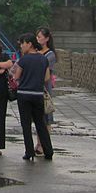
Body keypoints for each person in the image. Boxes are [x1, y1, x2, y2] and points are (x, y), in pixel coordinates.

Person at [12, 33, 53, 161]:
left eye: (22, 44)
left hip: (24, 95)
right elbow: (47, 78)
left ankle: (29, 152)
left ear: (29, 44)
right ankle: (48, 151)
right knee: (40, 123)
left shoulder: (24, 59)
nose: (21, 46)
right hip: (38, 95)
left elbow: (16, 76)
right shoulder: (43, 59)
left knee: (26, 125)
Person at [35, 27, 56, 156]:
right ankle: (38, 143)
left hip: (44, 88)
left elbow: (44, 70)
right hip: (35, 87)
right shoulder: (36, 52)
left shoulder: (50, 54)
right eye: (37, 37)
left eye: (40, 37)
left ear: (47, 38)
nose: (38, 39)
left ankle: (44, 144)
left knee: (46, 118)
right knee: (38, 118)